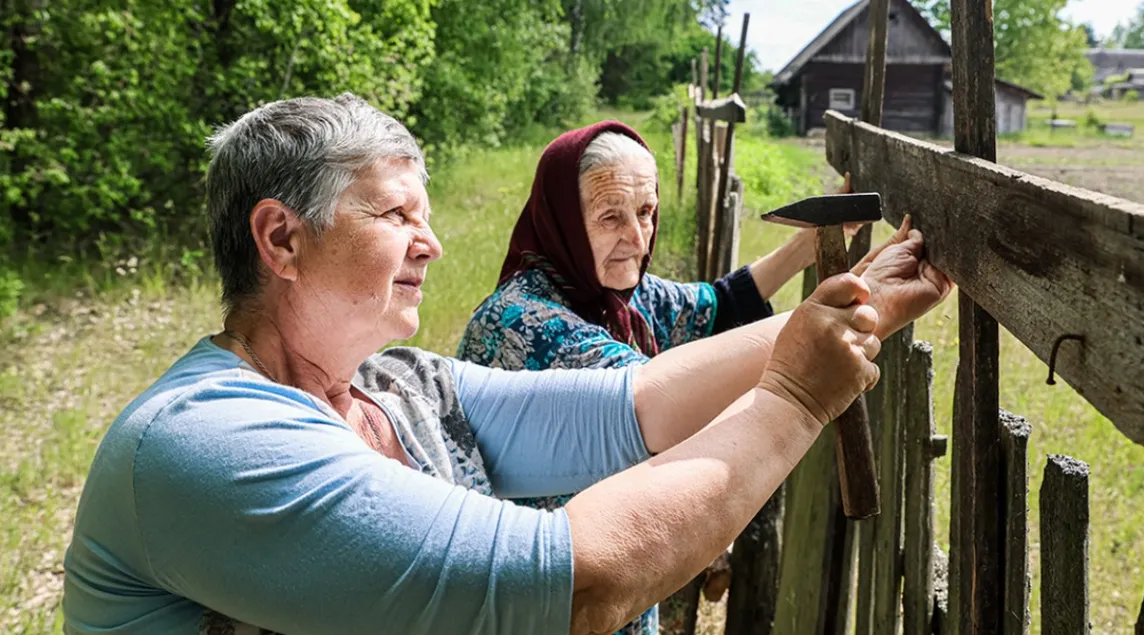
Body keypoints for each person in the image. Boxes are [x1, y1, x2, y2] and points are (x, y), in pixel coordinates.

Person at [61, 93, 951, 635]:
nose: (434, 243)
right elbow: (573, 583)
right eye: (396, 215)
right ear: (281, 238)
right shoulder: (210, 439)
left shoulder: (396, 382)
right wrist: (795, 398)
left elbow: (630, 405)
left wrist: (863, 296)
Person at [456, 121, 923, 634]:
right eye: (610, 216)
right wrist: (862, 303)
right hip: (543, 604)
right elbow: (655, 401)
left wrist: (806, 246)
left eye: (646, 211)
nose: (636, 237)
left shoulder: (614, 293)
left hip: (608, 588)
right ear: (563, 218)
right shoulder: (521, 322)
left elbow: (716, 304)